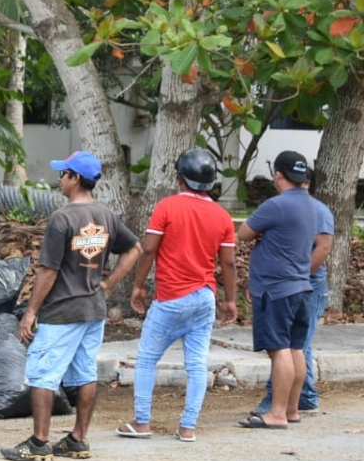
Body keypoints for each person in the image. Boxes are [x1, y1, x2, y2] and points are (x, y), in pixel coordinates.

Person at [2, 151, 140, 461]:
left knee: (43, 374)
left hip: (62, 311)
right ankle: (77, 439)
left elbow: (48, 271)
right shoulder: (105, 215)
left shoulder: (62, 219)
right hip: (92, 309)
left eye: (63, 173)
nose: (60, 179)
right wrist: (108, 283)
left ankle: (39, 443)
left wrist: (30, 311)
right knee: (85, 373)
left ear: (75, 178)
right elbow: (134, 249)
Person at [118, 149, 237, 442]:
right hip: (205, 297)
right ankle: (187, 427)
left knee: (147, 359)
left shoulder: (167, 207)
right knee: (196, 364)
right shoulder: (222, 216)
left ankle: (142, 422)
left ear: (179, 178)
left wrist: (138, 285)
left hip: (171, 297)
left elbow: (149, 249)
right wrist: (230, 299)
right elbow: (229, 263)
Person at [236, 150, 321, 429]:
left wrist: (262, 232)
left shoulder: (276, 205)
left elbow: (244, 233)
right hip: (301, 286)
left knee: (279, 349)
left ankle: (276, 413)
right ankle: (292, 409)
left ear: (278, 175)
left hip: (276, 288)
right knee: (296, 348)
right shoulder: (311, 205)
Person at [253, 178, 333, 415]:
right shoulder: (284, 207)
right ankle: (299, 400)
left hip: (306, 284)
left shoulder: (318, 209)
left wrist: (300, 275)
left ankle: (284, 401)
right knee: (295, 345)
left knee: (292, 346)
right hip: (290, 282)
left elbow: (324, 247)